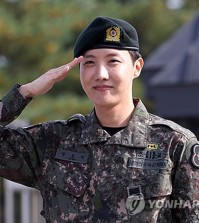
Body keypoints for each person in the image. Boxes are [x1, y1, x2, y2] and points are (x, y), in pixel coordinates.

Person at [0, 16, 199, 223]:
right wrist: (25, 92)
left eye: (113, 61)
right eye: (89, 63)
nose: (100, 74)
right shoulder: (52, 142)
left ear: (137, 67)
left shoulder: (175, 145)